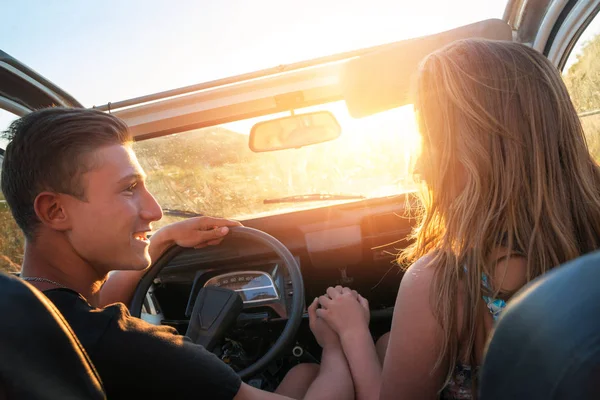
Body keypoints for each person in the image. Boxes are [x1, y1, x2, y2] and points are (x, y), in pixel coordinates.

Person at [0, 107, 354, 400]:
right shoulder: (138, 350)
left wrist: (159, 242)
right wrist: (338, 342)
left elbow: (84, 310)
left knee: (304, 374)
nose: (154, 211)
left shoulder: (22, 309)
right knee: (311, 369)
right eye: (129, 189)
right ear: (55, 212)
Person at [314, 39, 600, 399]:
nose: (419, 168)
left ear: (472, 155)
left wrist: (350, 336)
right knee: (388, 344)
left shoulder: (441, 285)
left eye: (429, 140)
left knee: (305, 373)